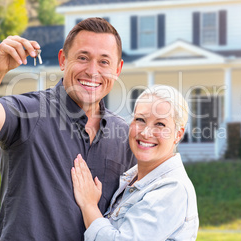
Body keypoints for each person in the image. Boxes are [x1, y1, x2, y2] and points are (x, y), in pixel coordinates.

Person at [0, 18, 136, 240]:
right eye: (83, 58)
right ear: (63, 60)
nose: (93, 71)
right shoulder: (29, 112)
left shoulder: (124, 136)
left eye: (104, 62)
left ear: (117, 69)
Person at [71, 85, 199, 240]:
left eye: (160, 124)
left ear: (178, 134)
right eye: (140, 120)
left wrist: (89, 205)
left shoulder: (173, 189)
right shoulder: (130, 179)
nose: (145, 132)